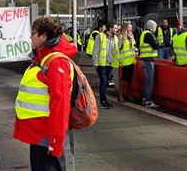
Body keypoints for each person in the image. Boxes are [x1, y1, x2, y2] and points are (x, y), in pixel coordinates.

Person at [14, 16, 78, 170]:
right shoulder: (45, 58)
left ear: (44, 36)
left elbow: (60, 104)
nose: (30, 37)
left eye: (34, 33)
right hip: (41, 135)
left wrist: (55, 142)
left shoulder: (56, 63)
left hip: (47, 135)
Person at [92, 22, 119, 109]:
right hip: (101, 64)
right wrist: (96, 64)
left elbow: (116, 51)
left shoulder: (115, 38)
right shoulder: (100, 36)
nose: (116, 30)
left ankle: (105, 100)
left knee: (105, 82)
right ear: (110, 28)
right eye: (115, 28)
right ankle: (103, 101)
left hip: (110, 64)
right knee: (103, 82)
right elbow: (95, 50)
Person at [139, 20, 159, 108]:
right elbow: (155, 46)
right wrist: (158, 43)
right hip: (148, 60)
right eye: (155, 27)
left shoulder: (144, 33)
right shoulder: (149, 34)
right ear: (152, 27)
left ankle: (144, 98)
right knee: (149, 81)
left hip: (144, 58)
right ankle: (148, 100)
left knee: (147, 81)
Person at [116, 23, 137, 103]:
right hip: (124, 62)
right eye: (129, 28)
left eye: (131, 28)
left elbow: (132, 47)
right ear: (125, 28)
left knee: (129, 79)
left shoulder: (130, 36)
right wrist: (119, 61)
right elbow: (118, 50)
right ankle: (120, 95)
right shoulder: (121, 37)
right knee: (124, 79)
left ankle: (128, 94)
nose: (131, 30)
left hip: (131, 61)